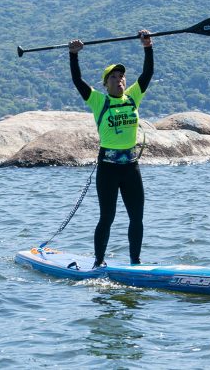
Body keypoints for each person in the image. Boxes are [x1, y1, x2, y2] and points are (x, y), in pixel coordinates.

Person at [68, 30, 153, 268]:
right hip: (107, 169)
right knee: (107, 217)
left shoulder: (133, 97)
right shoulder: (99, 101)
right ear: (106, 84)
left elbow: (147, 73)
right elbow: (77, 81)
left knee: (137, 218)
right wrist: (73, 55)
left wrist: (148, 46)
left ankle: (135, 263)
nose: (120, 80)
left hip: (131, 168)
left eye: (122, 77)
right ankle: (98, 262)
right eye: (114, 77)